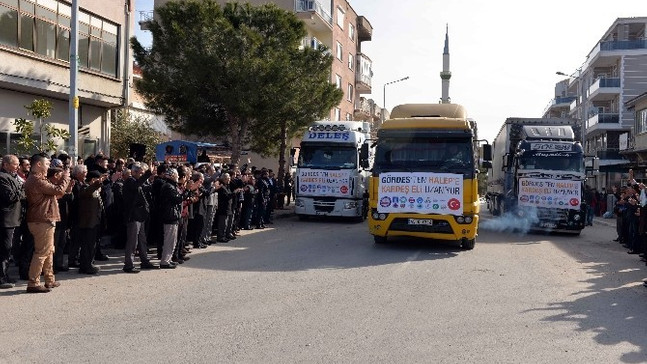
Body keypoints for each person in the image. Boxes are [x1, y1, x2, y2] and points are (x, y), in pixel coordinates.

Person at [24, 154, 70, 293]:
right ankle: (33, 282)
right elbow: (58, 190)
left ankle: (49, 279)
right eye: (46, 163)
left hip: (44, 219)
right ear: (38, 164)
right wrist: (65, 177)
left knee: (49, 251)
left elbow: (55, 194)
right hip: (41, 220)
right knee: (42, 252)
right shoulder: (36, 180)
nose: (48, 166)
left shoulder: (38, 179)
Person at [0, 155, 24, 289]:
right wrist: (22, 188)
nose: (17, 167)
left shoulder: (11, 177)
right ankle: (1, 277)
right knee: (4, 248)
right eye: (15, 164)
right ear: (6, 164)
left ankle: (5, 274)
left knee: (8, 249)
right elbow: (10, 197)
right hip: (5, 220)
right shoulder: (2, 177)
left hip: (13, 219)